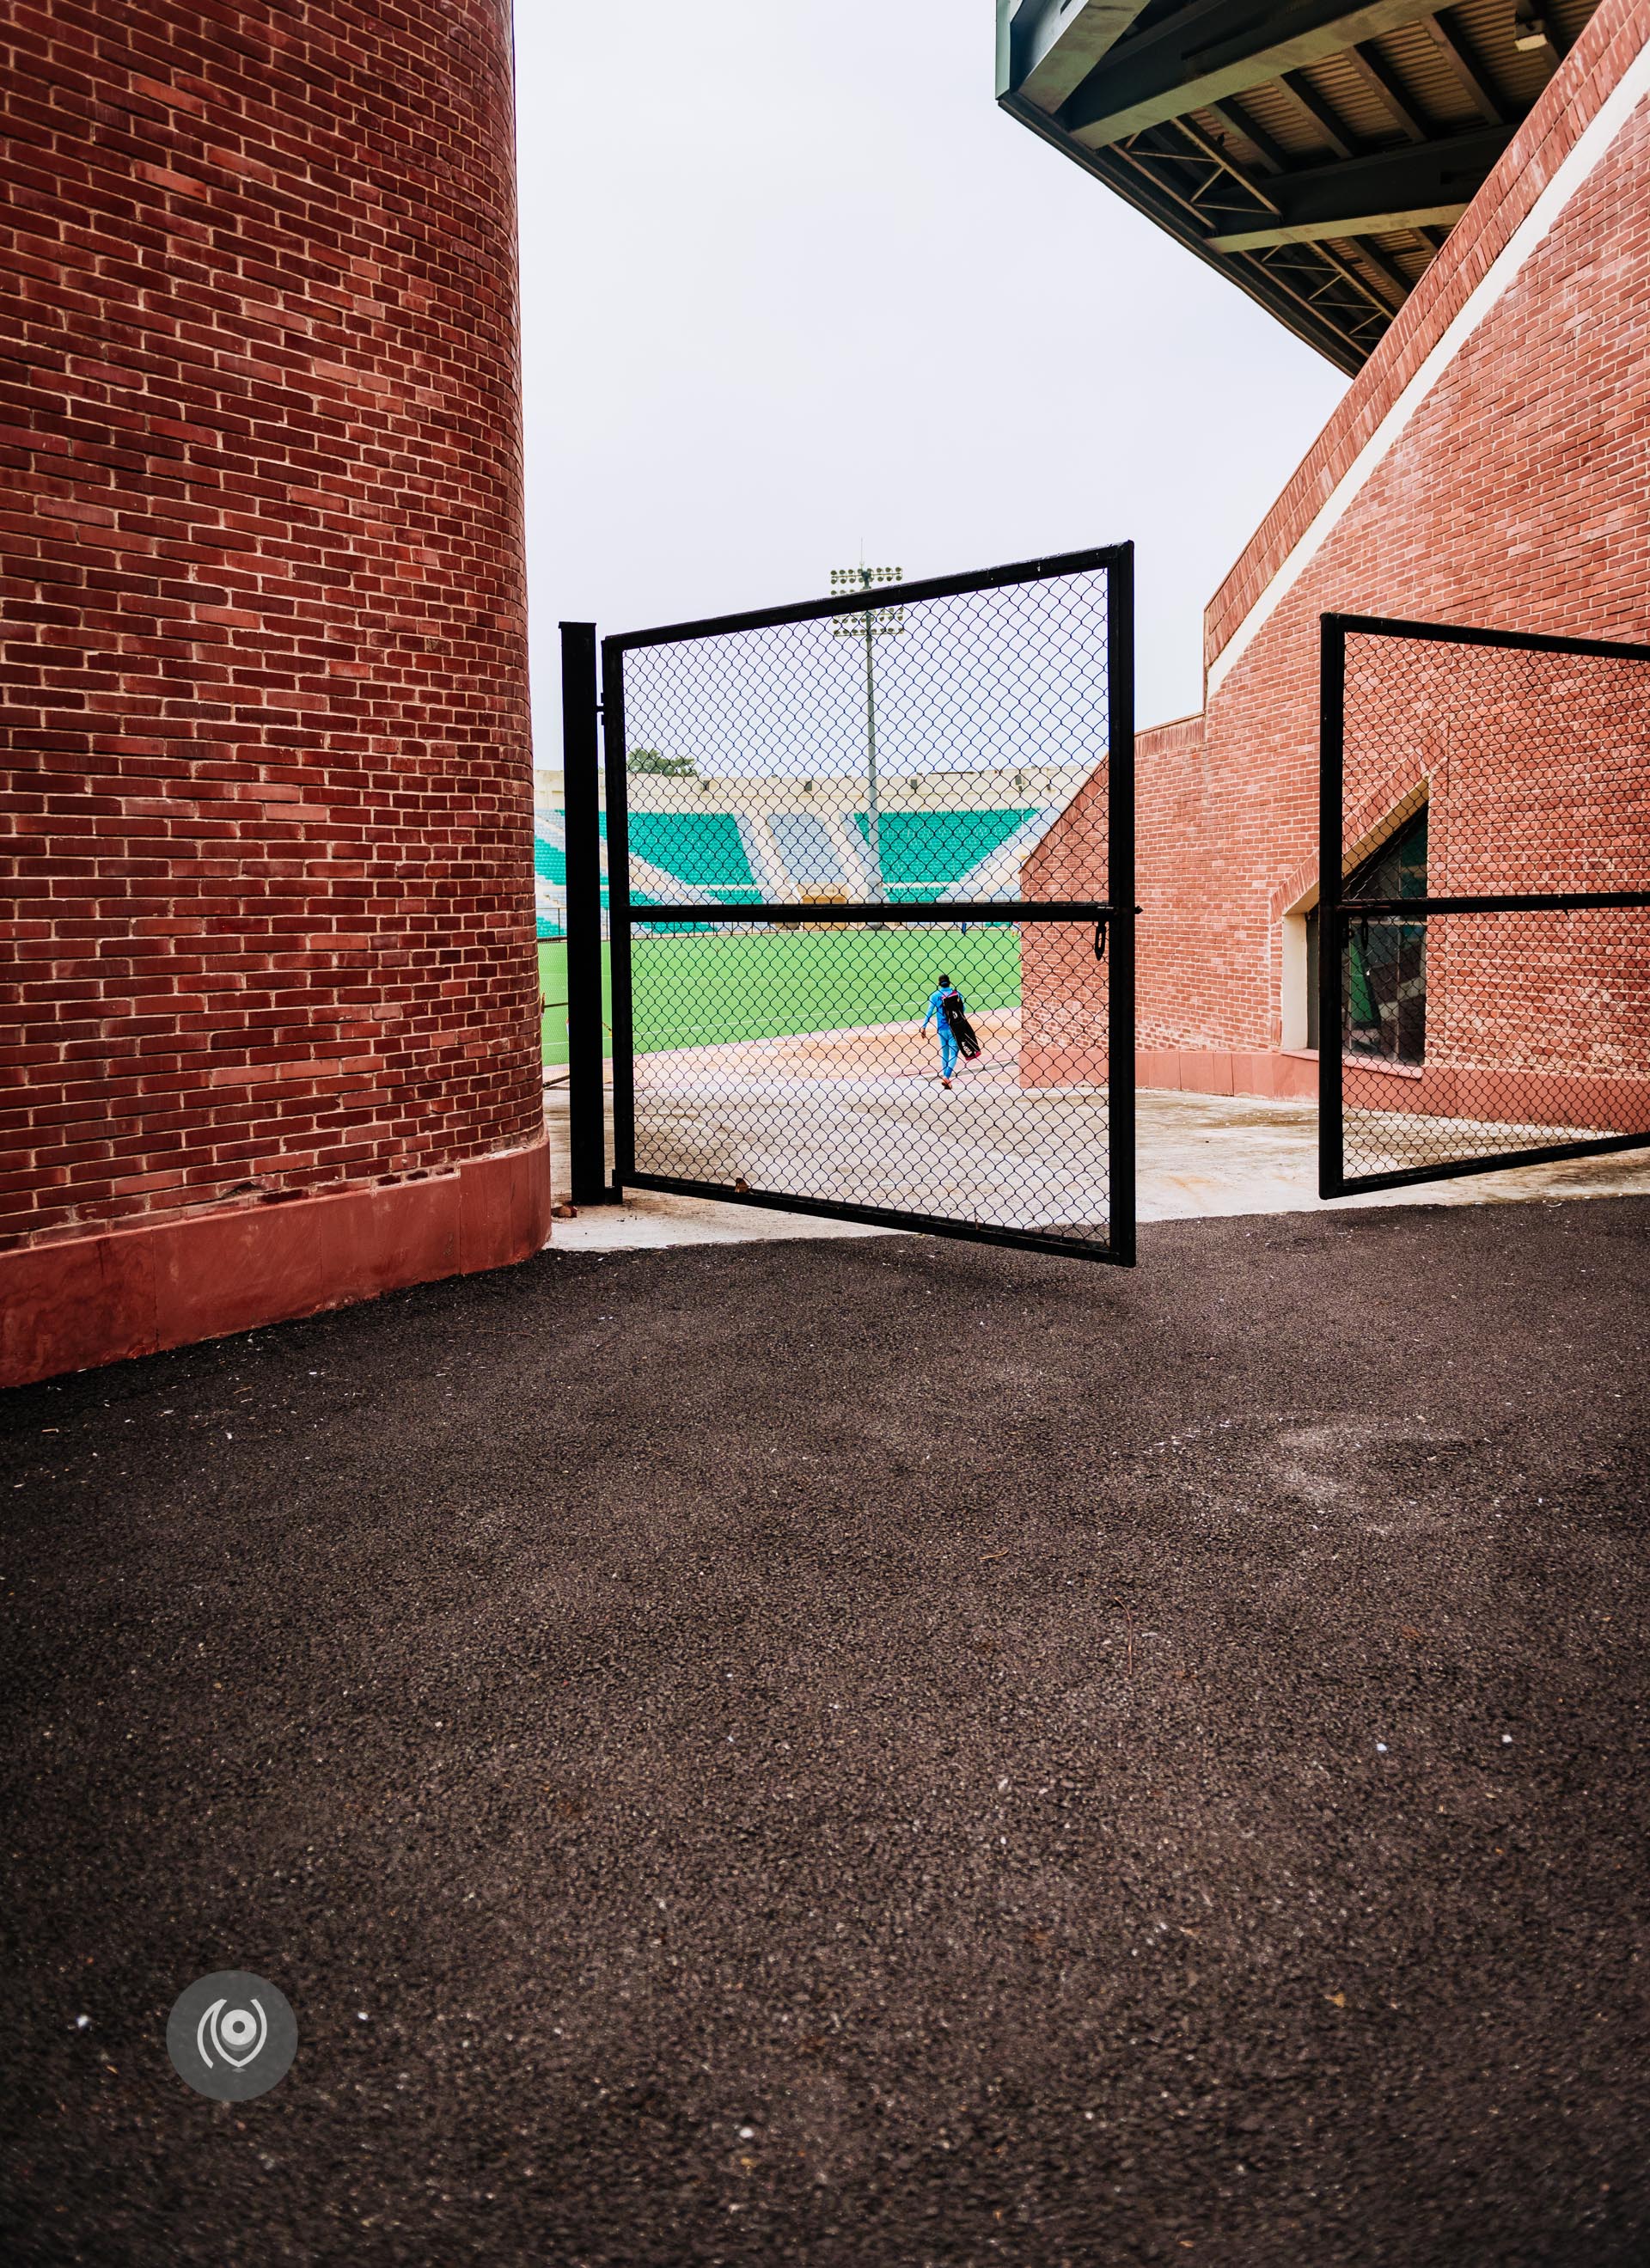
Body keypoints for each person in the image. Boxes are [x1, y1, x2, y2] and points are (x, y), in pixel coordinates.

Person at [922, 974, 969, 1088]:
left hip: (941, 1028)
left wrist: (924, 1026)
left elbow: (929, 1011)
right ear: (950, 983)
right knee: (954, 1053)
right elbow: (963, 1009)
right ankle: (947, 1077)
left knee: (944, 1053)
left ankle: (945, 1076)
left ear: (939, 984)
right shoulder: (956, 994)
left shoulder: (935, 996)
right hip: (954, 1027)